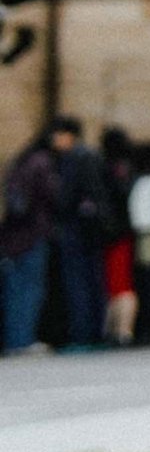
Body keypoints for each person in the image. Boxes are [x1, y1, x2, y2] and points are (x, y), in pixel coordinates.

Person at [44, 118, 111, 352]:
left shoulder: (74, 158)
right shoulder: (91, 156)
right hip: (91, 230)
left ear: (68, 135)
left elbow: (67, 197)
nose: (54, 140)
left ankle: (83, 335)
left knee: (78, 284)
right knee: (93, 282)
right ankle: (96, 333)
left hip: (77, 230)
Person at [1, 129, 53, 355]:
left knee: (14, 292)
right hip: (32, 236)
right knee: (31, 290)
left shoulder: (18, 164)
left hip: (11, 239)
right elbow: (51, 195)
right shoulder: (41, 162)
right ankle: (24, 340)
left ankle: (15, 341)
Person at [98, 127, 141, 344]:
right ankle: (118, 330)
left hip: (118, 234)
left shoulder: (114, 168)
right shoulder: (128, 168)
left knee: (121, 285)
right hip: (124, 232)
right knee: (118, 285)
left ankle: (123, 331)